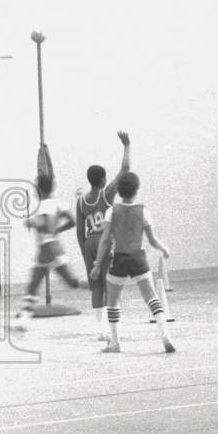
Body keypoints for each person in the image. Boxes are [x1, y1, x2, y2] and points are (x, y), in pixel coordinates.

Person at [90, 172, 175, 353]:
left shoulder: (111, 211)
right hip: (138, 258)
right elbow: (152, 240)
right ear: (137, 189)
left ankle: (115, 342)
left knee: (112, 300)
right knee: (151, 297)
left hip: (119, 259)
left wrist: (97, 265)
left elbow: (105, 240)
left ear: (119, 191)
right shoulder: (144, 211)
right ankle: (165, 335)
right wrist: (164, 249)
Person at [12, 173, 87, 332]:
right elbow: (72, 221)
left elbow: (46, 226)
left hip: (47, 249)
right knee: (71, 283)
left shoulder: (40, 206)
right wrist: (57, 230)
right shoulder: (59, 203)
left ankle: (23, 322)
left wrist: (34, 223)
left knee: (34, 286)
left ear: (39, 188)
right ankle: (100, 286)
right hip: (54, 247)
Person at [76, 131, 131, 340]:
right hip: (104, 241)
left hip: (89, 243)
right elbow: (125, 169)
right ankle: (110, 328)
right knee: (111, 287)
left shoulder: (81, 201)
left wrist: (84, 254)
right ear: (103, 179)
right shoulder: (107, 194)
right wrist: (126, 146)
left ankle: (100, 330)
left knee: (96, 287)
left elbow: (79, 232)